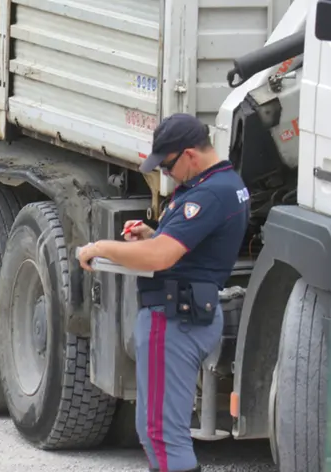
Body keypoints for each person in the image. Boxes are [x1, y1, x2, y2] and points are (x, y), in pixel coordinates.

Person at [77, 113, 250, 472]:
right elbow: (185, 249)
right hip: (186, 313)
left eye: (168, 166)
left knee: (162, 434)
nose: (166, 175)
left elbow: (161, 257)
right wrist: (152, 235)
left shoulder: (210, 193)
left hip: (174, 319)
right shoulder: (221, 184)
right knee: (157, 430)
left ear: (189, 154)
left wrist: (101, 247)